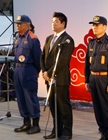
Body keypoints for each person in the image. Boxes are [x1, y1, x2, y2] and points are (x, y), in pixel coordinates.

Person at [41, 12, 74, 140]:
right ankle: (57, 130)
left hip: (60, 79)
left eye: (56, 22)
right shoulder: (49, 38)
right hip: (49, 79)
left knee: (63, 106)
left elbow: (63, 61)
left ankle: (67, 132)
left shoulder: (67, 40)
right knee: (54, 106)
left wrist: (49, 73)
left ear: (63, 24)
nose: (53, 24)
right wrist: (44, 72)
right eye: (52, 21)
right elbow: (43, 56)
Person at [85, 15, 108, 140]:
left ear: (104, 27)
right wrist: (87, 80)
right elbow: (87, 64)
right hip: (93, 78)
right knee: (98, 108)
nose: (94, 27)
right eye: (93, 25)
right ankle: (103, 131)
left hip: (105, 80)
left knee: (107, 108)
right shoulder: (91, 43)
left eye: (97, 25)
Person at [13, 15, 42, 134]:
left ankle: (35, 124)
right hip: (18, 70)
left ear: (27, 25)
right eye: (17, 23)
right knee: (21, 98)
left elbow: (37, 58)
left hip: (28, 69)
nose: (18, 25)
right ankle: (26, 122)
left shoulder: (33, 38)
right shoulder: (17, 37)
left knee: (30, 97)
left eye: (20, 23)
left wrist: (34, 72)